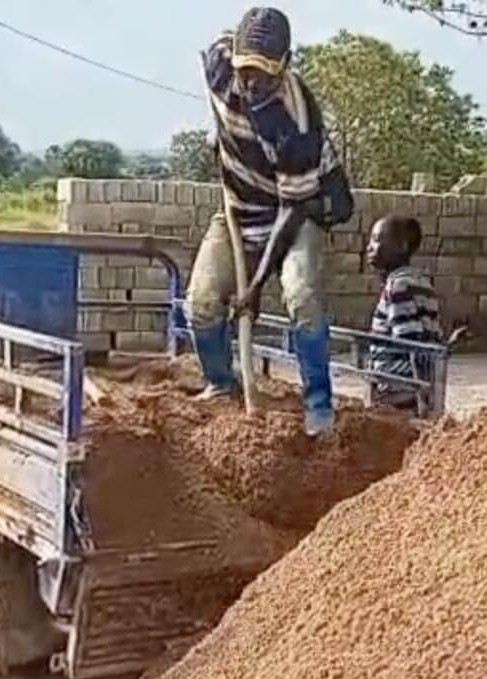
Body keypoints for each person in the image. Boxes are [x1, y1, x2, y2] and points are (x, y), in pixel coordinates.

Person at [188, 7, 353, 436]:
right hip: (237, 211)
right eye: (245, 70)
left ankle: (318, 403)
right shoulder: (221, 66)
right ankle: (221, 384)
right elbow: (219, 54)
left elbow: (294, 208)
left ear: (285, 64)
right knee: (202, 303)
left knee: (301, 297)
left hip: (293, 216)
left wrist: (256, 286)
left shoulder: (297, 124)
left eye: (263, 74)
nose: (251, 83)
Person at [366, 216, 443, 412]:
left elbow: (410, 341)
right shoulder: (422, 282)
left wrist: (421, 396)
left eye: (377, 240)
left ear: (402, 246)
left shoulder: (398, 286)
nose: (370, 247)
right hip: (415, 387)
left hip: (398, 389)